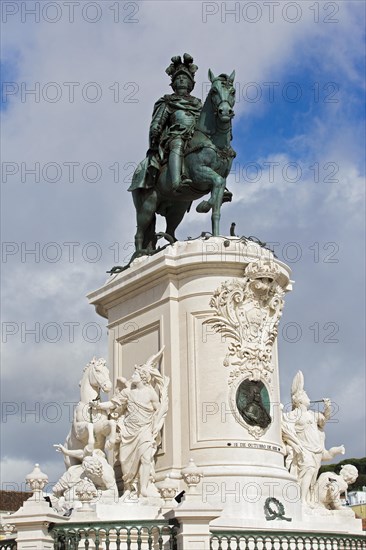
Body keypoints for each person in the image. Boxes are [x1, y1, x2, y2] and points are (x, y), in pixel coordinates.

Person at [91, 348, 169, 499]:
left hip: (145, 429)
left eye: (135, 374)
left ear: (142, 377)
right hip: (128, 432)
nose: (132, 375)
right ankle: (128, 487)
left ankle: (144, 489)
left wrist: (155, 426)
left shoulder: (150, 393)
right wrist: (99, 406)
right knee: (124, 462)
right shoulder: (127, 393)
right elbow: (113, 404)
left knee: (146, 458)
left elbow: (158, 410)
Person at [129, 53, 202, 194]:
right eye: (178, 78)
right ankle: (176, 182)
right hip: (176, 134)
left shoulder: (198, 103)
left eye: (184, 78)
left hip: (196, 135)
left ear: (190, 82)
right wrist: (155, 129)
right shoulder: (167, 101)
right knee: (177, 143)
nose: (181, 80)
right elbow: (158, 120)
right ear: (174, 83)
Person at [283, 371, 344, 506]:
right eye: (305, 395)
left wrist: (327, 407)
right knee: (308, 470)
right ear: (299, 400)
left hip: (316, 450)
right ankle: (301, 501)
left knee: (312, 477)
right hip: (304, 449)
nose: (308, 397)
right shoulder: (293, 415)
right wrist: (293, 444)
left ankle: (309, 499)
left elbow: (324, 419)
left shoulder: (313, 414)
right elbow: (284, 428)